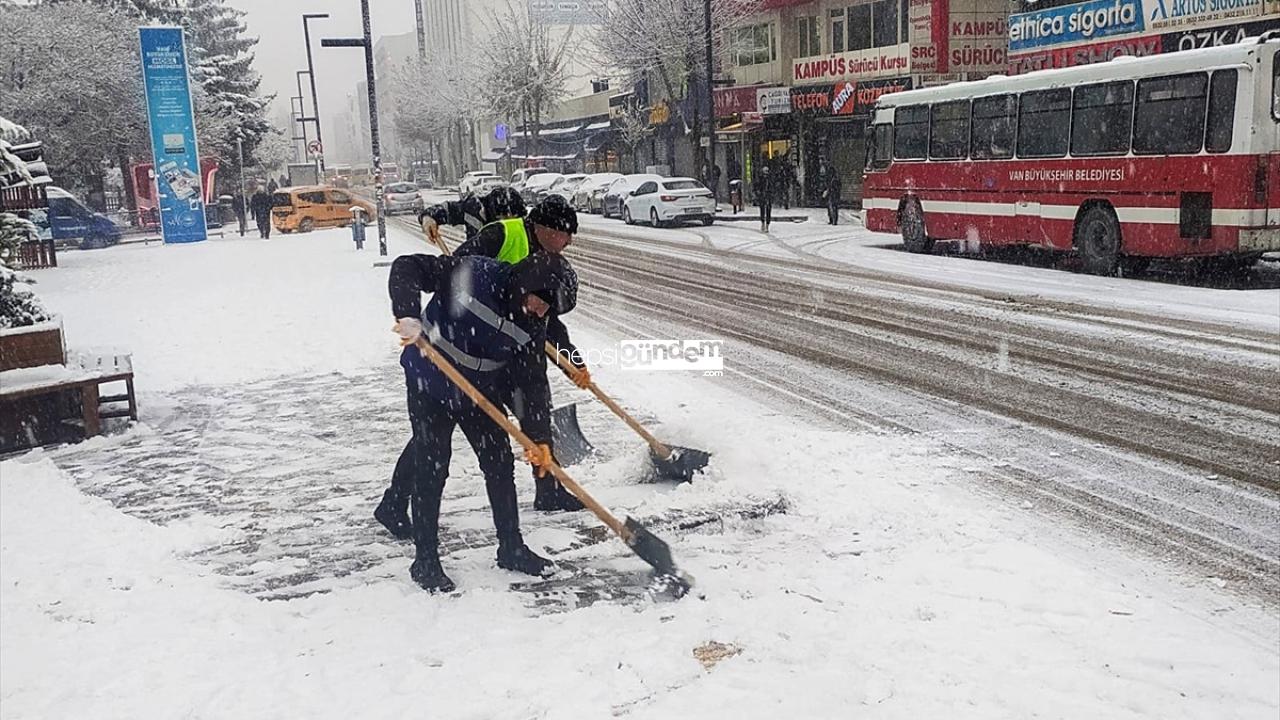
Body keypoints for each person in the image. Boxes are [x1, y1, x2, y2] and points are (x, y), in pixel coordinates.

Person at [375, 194, 587, 543]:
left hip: (499, 352)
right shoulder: (502, 236)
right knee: (432, 441)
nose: (568, 242)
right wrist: (413, 313)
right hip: (460, 345)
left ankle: (546, 486)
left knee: (531, 408)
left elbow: (544, 321)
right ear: (548, 229)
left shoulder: (548, 270)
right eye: (566, 234)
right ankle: (396, 503)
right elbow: (456, 270)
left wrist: (570, 360)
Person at [386, 251, 579, 592]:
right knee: (433, 464)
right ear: (526, 285)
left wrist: (539, 440)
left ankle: (511, 547)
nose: (541, 313)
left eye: (550, 310)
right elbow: (407, 267)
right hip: (430, 381)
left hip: (478, 391)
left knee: (500, 462)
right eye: (541, 303)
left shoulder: (532, 325)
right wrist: (407, 312)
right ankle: (425, 559)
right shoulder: (472, 272)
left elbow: (531, 384)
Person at [754, 164, 773, 233]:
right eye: (765, 171)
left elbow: (772, 186)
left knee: (768, 211)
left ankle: (767, 225)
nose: (766, 173)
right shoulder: (760, 178)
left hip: (768, 196)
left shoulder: (770, 178)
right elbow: (757, 186)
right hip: (762, 196)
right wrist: (758, 193)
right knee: (762, 210)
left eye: (767, 171)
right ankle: (762, 223)